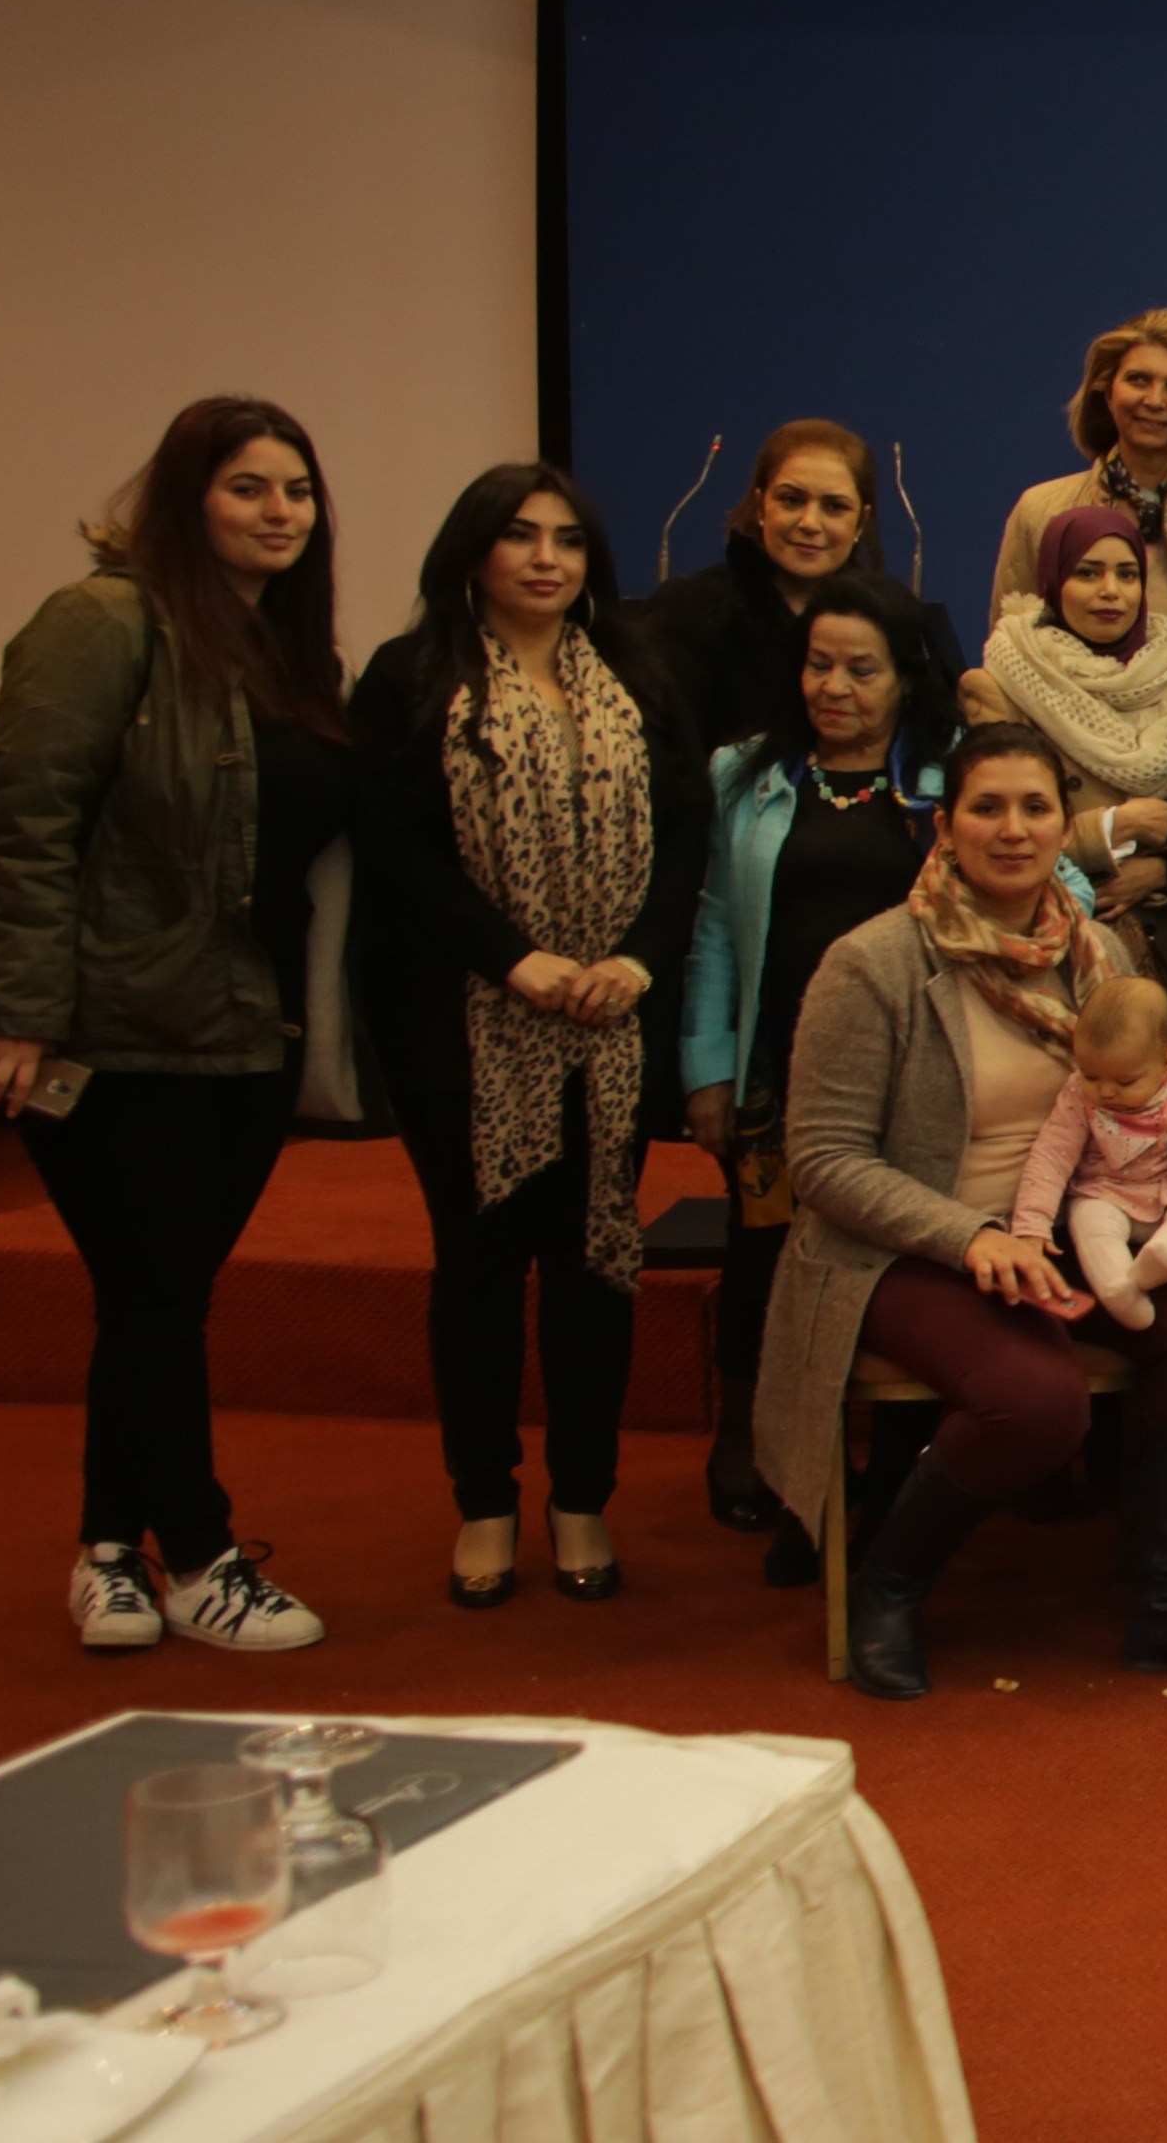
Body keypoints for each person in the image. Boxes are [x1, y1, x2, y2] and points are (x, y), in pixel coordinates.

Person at [766, 721, 1167, 1699]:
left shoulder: (1102, 954)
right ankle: (885, 1587)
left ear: (1062, 823)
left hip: (1077, 1222)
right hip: (910, 1246)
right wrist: (971, 1237)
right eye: (987, 807)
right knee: (1038, 1399)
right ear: (945, 825)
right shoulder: (873, 964)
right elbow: (824, 1161)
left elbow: (1165, 1097)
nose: (1013, 829)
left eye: (1035, 807)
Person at [0, 396, 354, 1654]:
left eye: (297, 491)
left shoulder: (288, 653)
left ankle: (106, 1553)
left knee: (155, 1301)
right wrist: (15, 1013)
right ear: (186, 498)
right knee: (155, 1300)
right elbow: (23, 822)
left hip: (248, 1030)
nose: (280, 512)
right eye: (248, 487)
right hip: (117, 1032)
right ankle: (196, 1556)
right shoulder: (102, 622)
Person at [350, 465, 707, 1611]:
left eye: (568, 539)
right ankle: (486, 1504)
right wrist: (514, 958)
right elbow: (393, 849)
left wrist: (636, 961)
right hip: (458, 1018)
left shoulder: (638, 673)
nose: (546, 559)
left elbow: (685, 835)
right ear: (472, 553)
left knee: (595, 1261)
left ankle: (582, 1498)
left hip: (609, 1020)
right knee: (481, 1264)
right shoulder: (411, 677)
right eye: (520, 536)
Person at [684, 571, 970, 1553]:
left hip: (920, 1073)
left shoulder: (945, 778)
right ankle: (753, 1446)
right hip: (777, 1071)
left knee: (903, 1264)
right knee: (764, 1260)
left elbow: (1045, 874)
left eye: (861, 669)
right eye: (818, 665)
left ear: (905, 680)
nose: (834, 688)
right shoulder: (743, 775)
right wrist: (707, 1067)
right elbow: (715, 928)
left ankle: (890, 1472)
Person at [964, 507, 1167, 995]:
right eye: (1087, 573)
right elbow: (994, 835)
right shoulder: (1004, 682)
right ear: (1054, 580)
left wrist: (1164, 869)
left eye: (1127, 574)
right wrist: (1114, 827)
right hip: (1045, 942)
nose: (1110, 591)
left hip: (1161, 942)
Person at [629, 421, 962, 749]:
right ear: (760, 506)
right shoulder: (687, 610)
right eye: (791, 500)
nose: (810, 523)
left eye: (834, 507)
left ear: (861, 522)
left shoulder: (896, 620)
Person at [1006, 976, 1167, 1333]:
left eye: (1125, 1082)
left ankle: (1165, 1257)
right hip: (1106, 1191)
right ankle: (1119, 1289)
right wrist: (1031, 1226)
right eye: (1091, 1076)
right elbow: (1051, 1156)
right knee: (1088, 1218)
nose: (1106, 1091)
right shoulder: (1077, 1095)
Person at [990, 309, 1167, 657]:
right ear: (1108, 393)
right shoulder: (1039, 510)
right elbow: (1005, 654)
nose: (1154, 401)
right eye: (1138, 380)